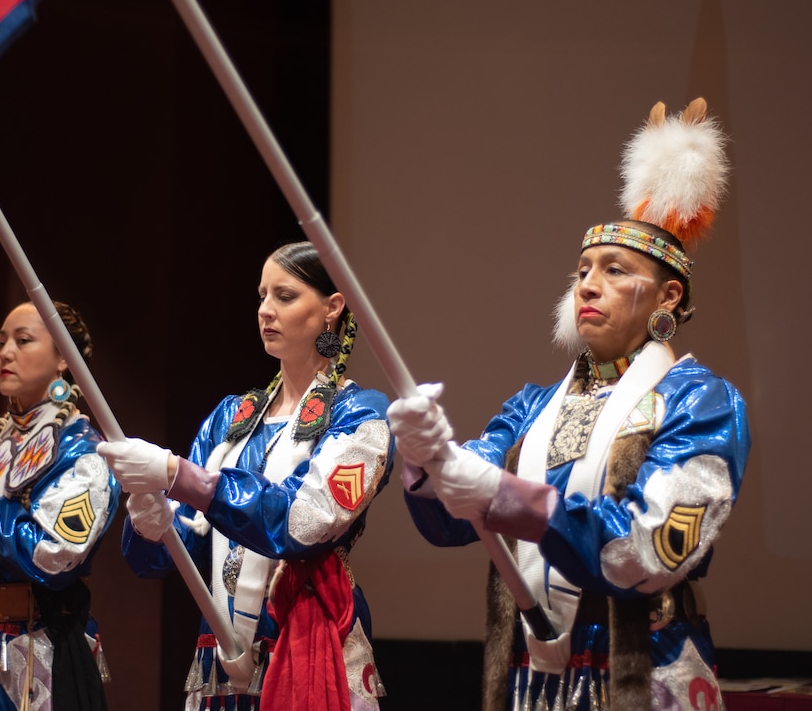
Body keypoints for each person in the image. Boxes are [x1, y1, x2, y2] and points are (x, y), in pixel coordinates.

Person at [387, 99, 750, 711]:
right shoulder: (531, 407)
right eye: (582, 270)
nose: (587, 283)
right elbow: (452, 518)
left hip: (645, 670)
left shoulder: (700, 400)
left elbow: (651, 549)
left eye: (614, 270)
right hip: (533, 675)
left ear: (668, 296)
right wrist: (428, 459)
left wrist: (507, 496)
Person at [97, 241, 396, 711]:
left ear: (331, 309)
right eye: (262, 296)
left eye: (285, 296)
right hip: (219, 662)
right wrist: (149, 518)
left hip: (304, 644)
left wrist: (179, 474)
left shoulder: (361, 414)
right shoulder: (230, 417)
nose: (266, 311)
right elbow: (165, 558)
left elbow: (303, 519)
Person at [0, 300, 120, 711]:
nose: (5, 352)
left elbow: (53, 554)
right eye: (1, 342)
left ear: (62, 360)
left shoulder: (85, 453)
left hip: (37, 648)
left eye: (23, 340)